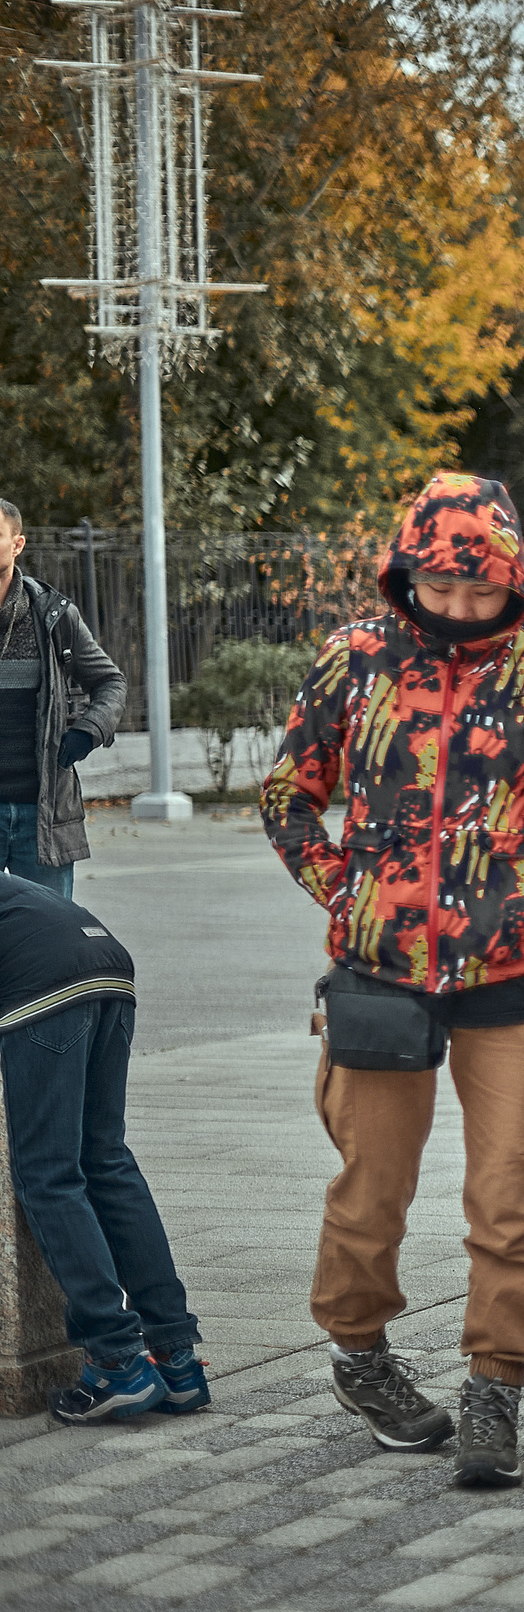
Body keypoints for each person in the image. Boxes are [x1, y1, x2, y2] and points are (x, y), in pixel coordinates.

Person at [262, 473, 524, 1489]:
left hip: (504, 971)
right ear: (405, 571)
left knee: (510, 1189)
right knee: (371, 1183)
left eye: (482, 591)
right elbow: (288, 794)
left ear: (514, 581)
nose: (460, 607)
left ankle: (494, 1387)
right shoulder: (355, 661)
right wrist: (344, 894)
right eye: (439, 586)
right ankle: (360, 1352)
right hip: (379, 968)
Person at [0, 875, 205, 1425]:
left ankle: (115, 1360)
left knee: (48, 1174)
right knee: (106, 1160)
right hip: (106, 964)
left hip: (41, 981)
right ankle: (177, 1360)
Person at [0, 499, 125, 895]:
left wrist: (88, 732)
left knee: (46, 942)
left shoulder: (52, 614)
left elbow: (111, 682)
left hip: (44, 811)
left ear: (17, 544)